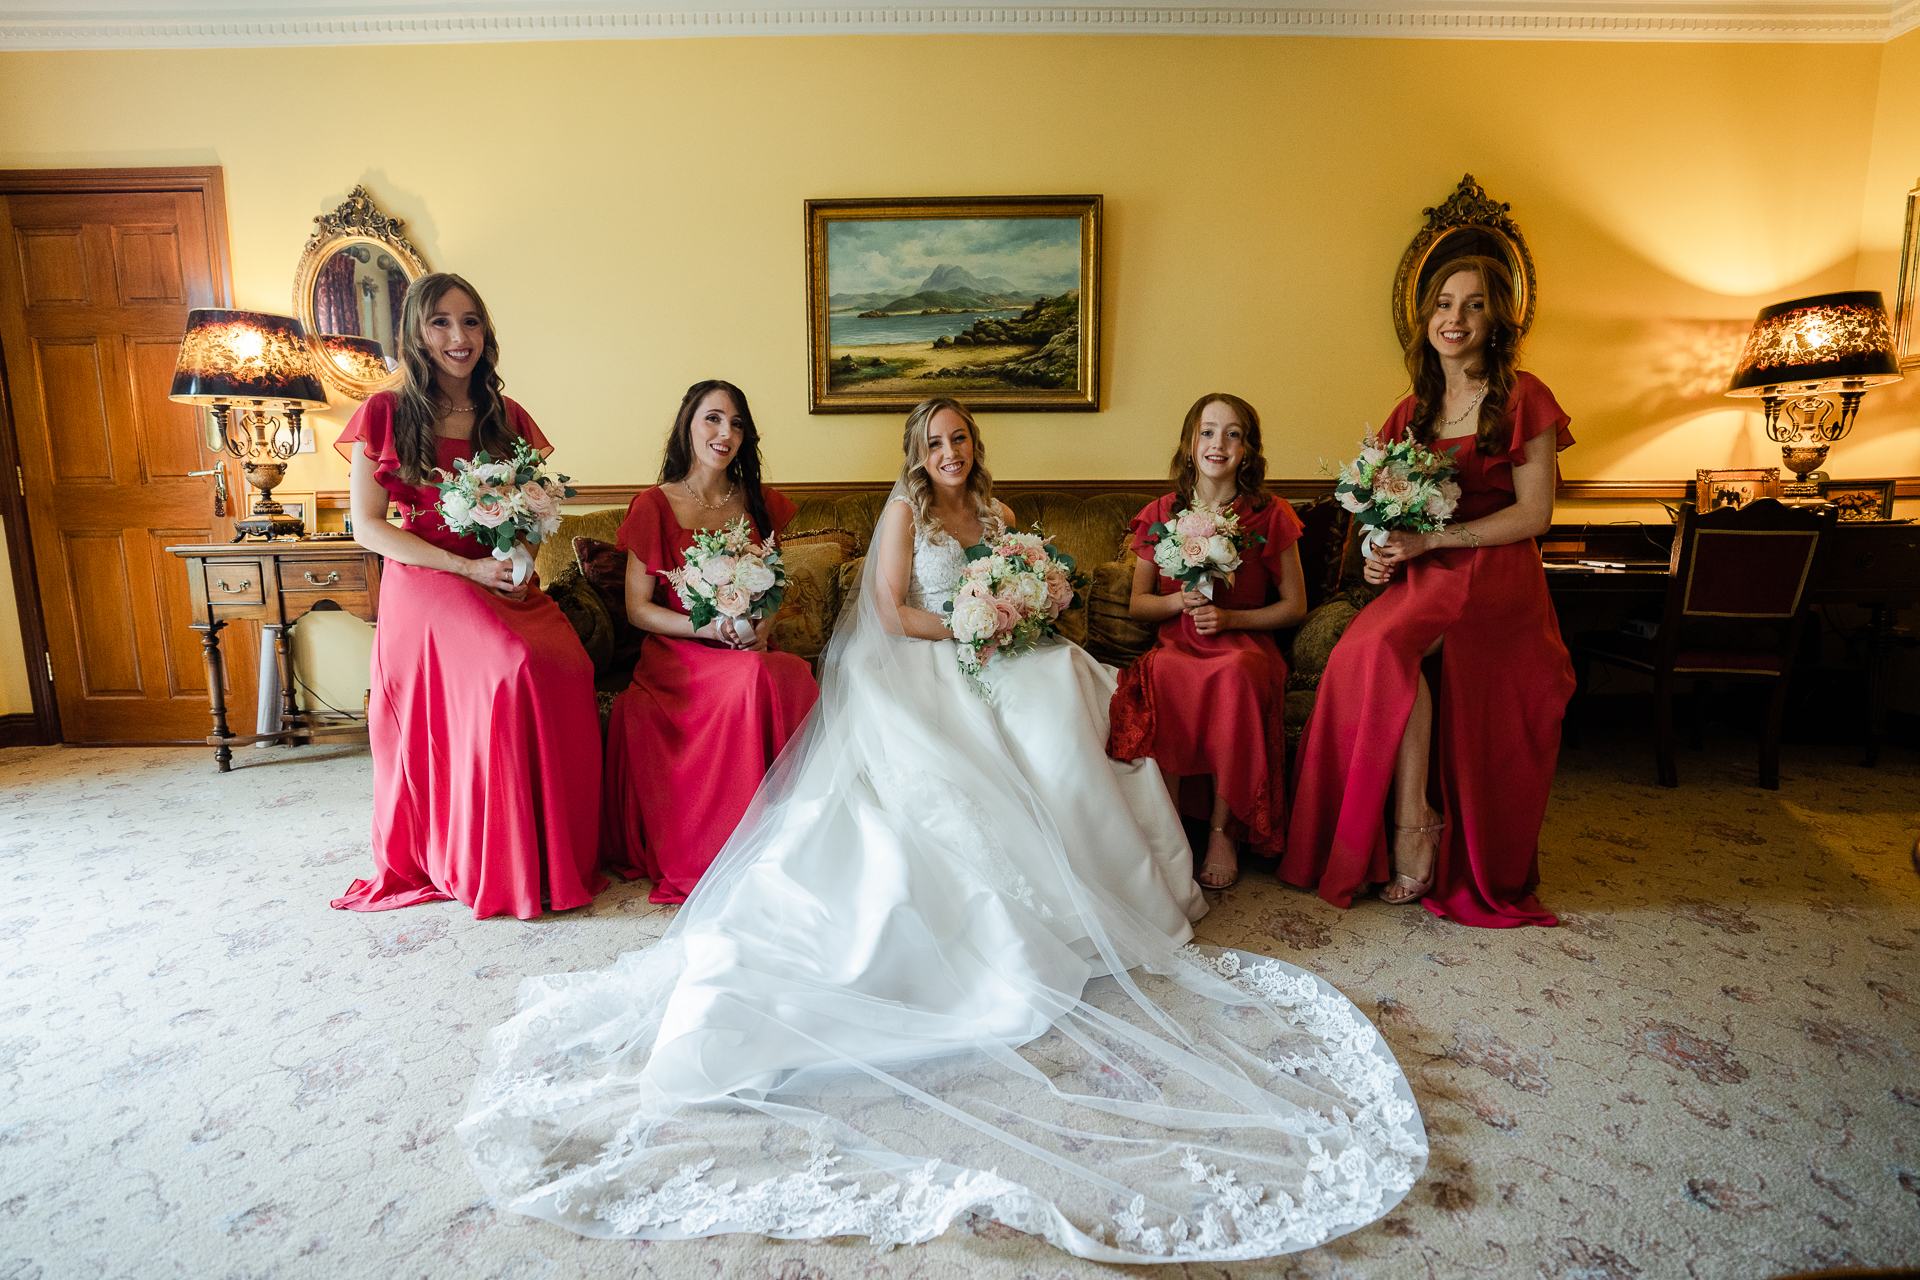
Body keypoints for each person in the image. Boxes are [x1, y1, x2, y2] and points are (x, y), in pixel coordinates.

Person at [458, 397, 1427, 1263]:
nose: (951, 450)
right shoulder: (904, 512)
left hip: (993, 649)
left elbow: (1027, 588)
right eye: (936, 440)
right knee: (1024, 712)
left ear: (975, 446)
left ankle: (1124, 866)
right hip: (921, 667)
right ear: (917, 453)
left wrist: (1026, 606)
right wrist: (970, 627)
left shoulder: (998, 515)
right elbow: (890, 610)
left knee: (1071, 683)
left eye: (961, 437)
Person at [1281, 256, 1574, 927]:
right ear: (1427, 318)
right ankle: (1414, 820)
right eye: (1444, 304)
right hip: (1429, 572)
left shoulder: (1523, 395)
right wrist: (1380, 557)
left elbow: (1535, 516)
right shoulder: (1410, 412)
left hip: (1496, 571)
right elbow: (1381, 522)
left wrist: (1435, 543)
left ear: (1495, 319)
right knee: (1365, 653)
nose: (1455, 318)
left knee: (1382, 645)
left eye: (1473, 305)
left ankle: (1417, 827)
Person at [331, 273, 603, 921]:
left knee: (568, 664)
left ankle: (550, 852)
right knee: (511, 664)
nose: (460, 337)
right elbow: (368, 526)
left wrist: (521, 561)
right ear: (417, 334)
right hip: (426, 579)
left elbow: (534, 512)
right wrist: (464, 568)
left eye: (472, 321)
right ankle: (493, 858)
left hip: (496, 573)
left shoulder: (507, 418)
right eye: (442, 323)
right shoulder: (386, 413)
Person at [601, 380, 818, 904]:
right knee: (754, 678)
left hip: (743, 647)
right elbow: (638, 609)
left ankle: (797, 841)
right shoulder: (654, 505)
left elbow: (772, 584)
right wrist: (710, 628)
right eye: (713, 419)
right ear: (689, 426)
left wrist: (762, 625)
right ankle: (732, 847)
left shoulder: (759, 503)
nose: (726, 433)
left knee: (790, 673)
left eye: (737, 423)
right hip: (680, 653)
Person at [1107, 394, 1307, 890]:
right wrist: (1180, 604)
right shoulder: (1161, 512)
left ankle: (1223, 830)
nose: (1219, 443)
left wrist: (1231, 616)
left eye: (1233, 433)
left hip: (1243, 647)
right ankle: (1170, 825)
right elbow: (1139, 603)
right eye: (1208, 431)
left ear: (1248, 448)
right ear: (1190, 443)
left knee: (1234, 672)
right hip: (1179, 645)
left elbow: (1295, 607)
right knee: (1166, 674)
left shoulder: (1270, 513)